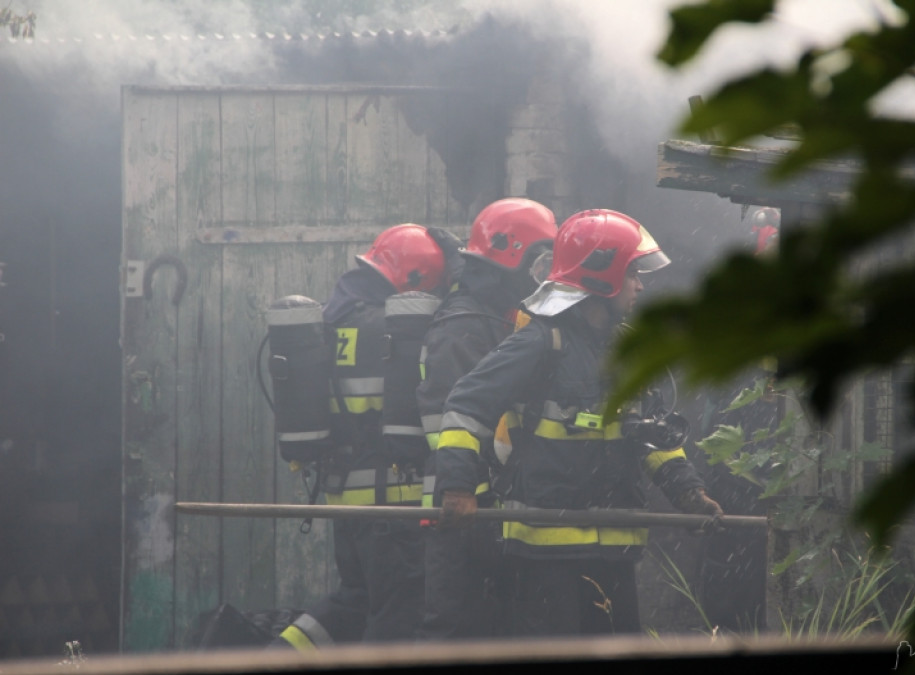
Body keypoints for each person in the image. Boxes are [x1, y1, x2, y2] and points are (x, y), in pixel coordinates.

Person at [433, 209, 724, 637]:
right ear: (601, 278)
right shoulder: (540, 343)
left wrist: (689, 491)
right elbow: (466, 404)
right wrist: (457, 487)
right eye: (632, 275)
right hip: (545, 555)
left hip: (615, 549)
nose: (640, 285)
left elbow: (653, 435)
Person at [274, 223, 453, 649]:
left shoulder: (328, 323)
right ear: (420, 281)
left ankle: (277, 659)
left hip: (346, 499)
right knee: (400, 613)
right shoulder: (399, 332)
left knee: (355, 601)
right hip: (394, 498)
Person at [416, 197, 558, 641]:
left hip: (488, 511)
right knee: (454, 632)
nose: (545, 277)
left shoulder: (492, 315)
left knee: (495, 631)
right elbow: (454, 422)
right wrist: (469, 489)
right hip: (461, 513)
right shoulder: (464, 327)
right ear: (515, 259)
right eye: (540, 263)